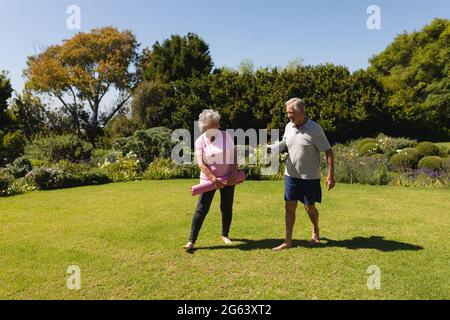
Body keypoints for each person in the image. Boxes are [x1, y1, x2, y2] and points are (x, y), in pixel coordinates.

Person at [272, 98, 335, 251]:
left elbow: (329, 151)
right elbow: (285, 143)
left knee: (310, 207)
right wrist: (272, 148)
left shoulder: (315, 129)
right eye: (287, 113)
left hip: (309, 178)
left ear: (301, 112)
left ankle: (315, 229)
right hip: (291, 175)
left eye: (291, 113)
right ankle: (288, 241)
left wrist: (330, 176)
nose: (288, 116)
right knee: (289, 207)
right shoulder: (289, 126)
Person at [183, 109, 238, 251]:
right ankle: (191, 241)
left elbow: (234, 153)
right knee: (201, 208)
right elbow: (201, 164)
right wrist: (214, 180)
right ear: (206, 127)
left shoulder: (226, 136)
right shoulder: (200, 141)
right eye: (215, 125)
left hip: (227, 179)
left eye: (218, 123)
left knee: (226, 207)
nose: (219, 127)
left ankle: (225, 235)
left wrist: (234, 171)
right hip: (208, 180)